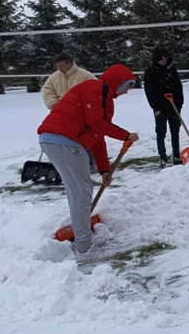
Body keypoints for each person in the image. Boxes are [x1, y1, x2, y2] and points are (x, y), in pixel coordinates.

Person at [37, 64, 140, 263]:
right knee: (81, 193)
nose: (128, 91)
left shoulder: (103, 96)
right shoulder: (96, 88)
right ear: (118, 81)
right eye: (128, 85)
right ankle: (85, 248)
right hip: (64, 140)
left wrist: (104, 170)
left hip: (58, 140)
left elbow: (97, 136)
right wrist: (125, 135)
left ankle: (81, 234)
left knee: (77, 191)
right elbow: (97, 123)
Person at [143, 48, 183, 167]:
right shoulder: (150, 73)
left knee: (175, 131)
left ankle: (176, 155)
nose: (163, 61)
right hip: (160, 107)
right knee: (161, 132)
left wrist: (179, 104)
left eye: (165, 59)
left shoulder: (172, 71)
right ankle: (163, 156)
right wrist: (155, 108)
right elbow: (149, 92)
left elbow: (178, 88)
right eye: (161, 59)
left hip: (174, 106)